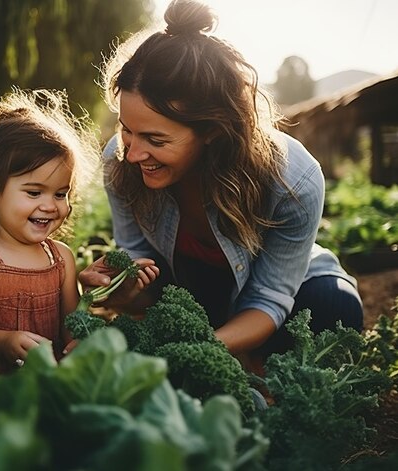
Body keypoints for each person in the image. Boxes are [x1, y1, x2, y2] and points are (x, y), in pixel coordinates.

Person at [79, 0, 363, 364]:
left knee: (334, 307)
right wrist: (120, 291)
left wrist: (199, 352)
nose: (133, 153)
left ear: (212, 129)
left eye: (156, 139)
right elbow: (144, 273)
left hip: (283, 290)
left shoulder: (293, 179)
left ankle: (248, 353)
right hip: (190, 290)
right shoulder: (120, 160)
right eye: (127, 130)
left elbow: (270, 297)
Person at [0, 88, 156, 373]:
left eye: (60, 194)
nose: (50, 206)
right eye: (34, 192)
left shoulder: (61, 259)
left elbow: (70, 325)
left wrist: (81, 340)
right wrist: (2, 340)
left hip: (50, 382)